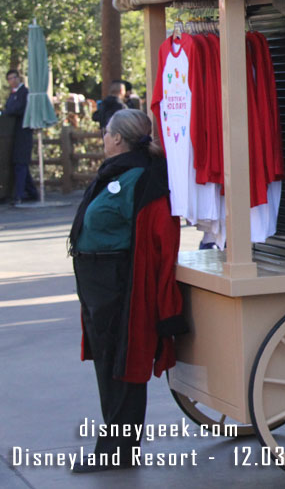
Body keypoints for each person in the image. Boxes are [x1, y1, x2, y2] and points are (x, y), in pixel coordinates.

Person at [68, 109, 186, 472]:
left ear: (118, 138)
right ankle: (116, 446)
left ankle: (116, 451)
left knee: (121, 362)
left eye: (106, 133)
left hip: (118, 282)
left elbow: (158, 236)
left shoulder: (140, 177)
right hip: (99, 282)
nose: (103, 137)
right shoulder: (120, 171)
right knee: (108, 362)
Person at [4, 69, 39, 204]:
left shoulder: (25, 93)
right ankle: (32, 192)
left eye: (14, 78)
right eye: (10, 79)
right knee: (19, 164)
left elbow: (16, 109)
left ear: (18, 78)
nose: (12, 81)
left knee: (21, 163)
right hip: (13, 134)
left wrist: (8, 111)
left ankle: (18, 195)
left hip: (24, 133)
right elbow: (8, 108)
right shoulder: (12, 95)